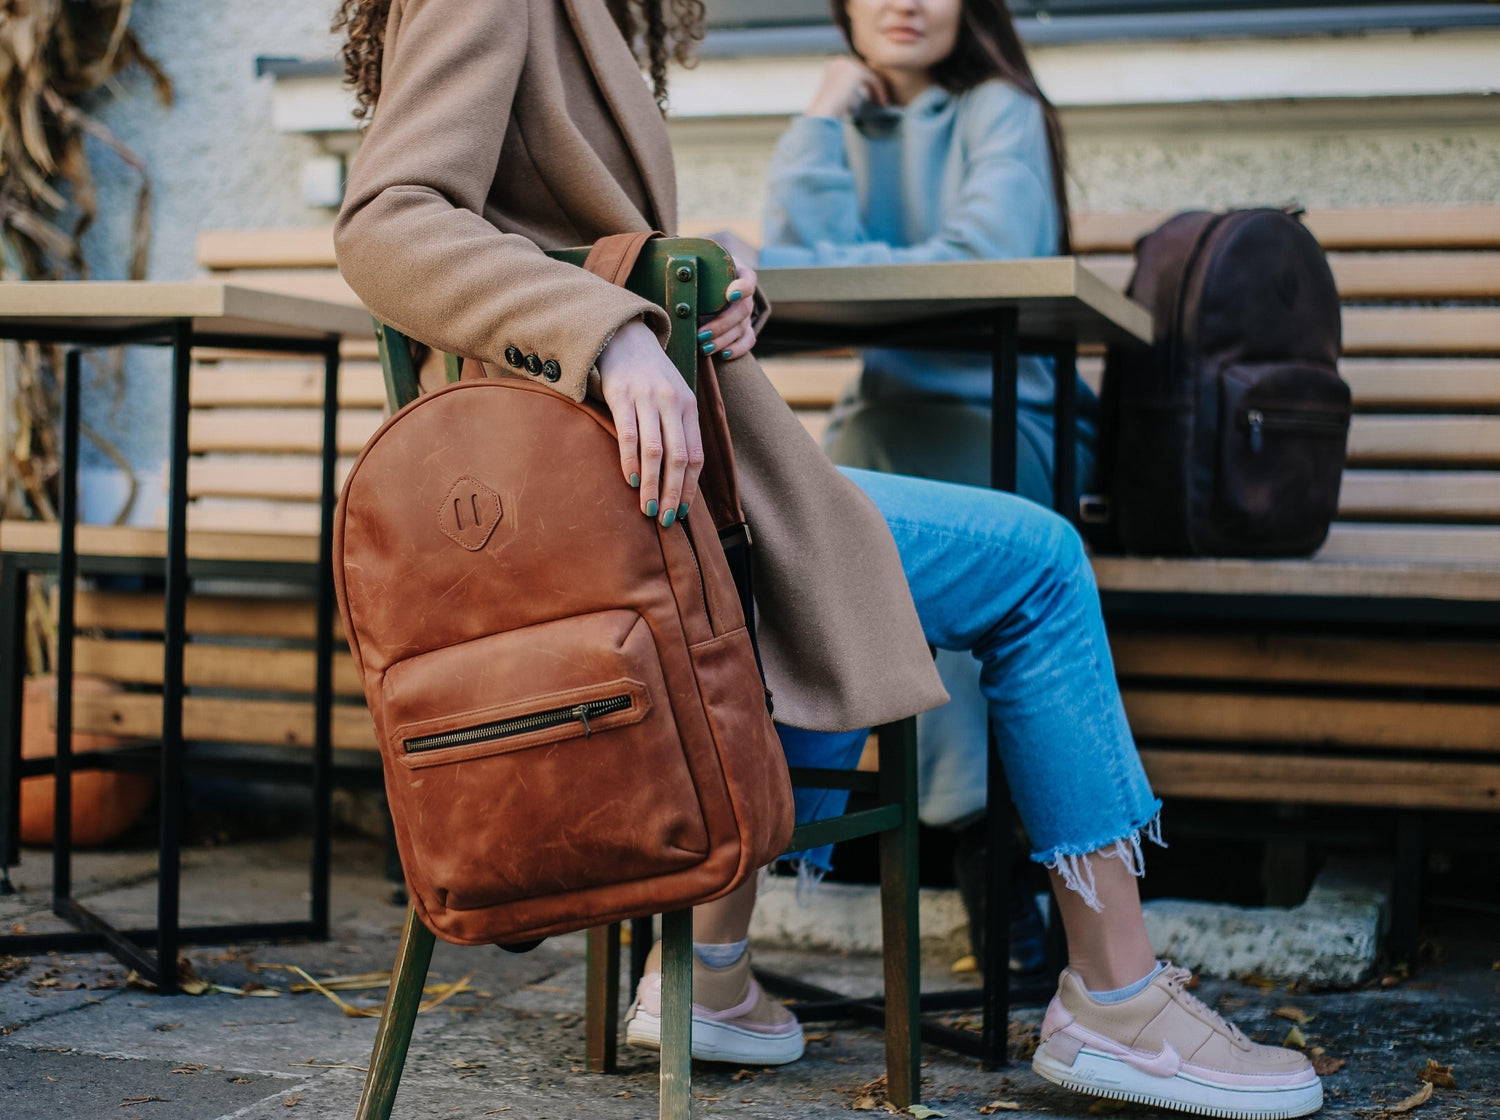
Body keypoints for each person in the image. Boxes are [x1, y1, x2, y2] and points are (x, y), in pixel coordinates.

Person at [330, 2, 1323, 1116]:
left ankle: (706, 972)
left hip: (631, 494)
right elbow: (387, 220)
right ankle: (1117, 996)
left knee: (825, 560)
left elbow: (544, 228)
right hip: (612, 504)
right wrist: (605, 333)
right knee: (1036, 563)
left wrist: (693, 286)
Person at [761, 0, 1093, 974]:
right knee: (810, 518)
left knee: (913, 542)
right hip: (882, 413)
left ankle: (980, 838)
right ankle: (968, 841)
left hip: (1004, 417)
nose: (904, 2)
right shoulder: (846, 123)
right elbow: (796, 261)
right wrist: (821, 115)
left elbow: (977, 263)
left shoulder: (1002, 111)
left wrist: (830, 262)